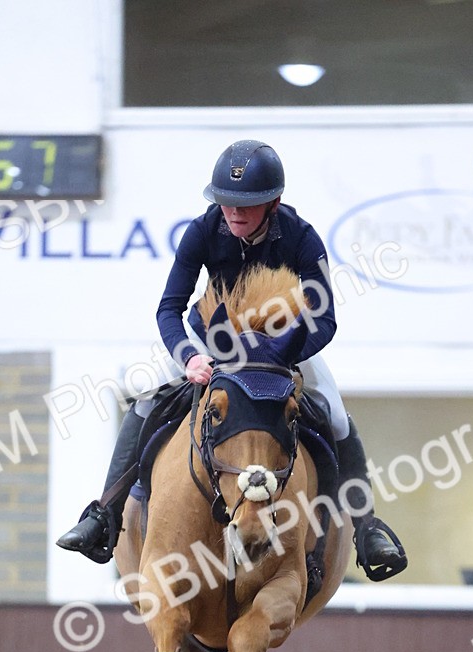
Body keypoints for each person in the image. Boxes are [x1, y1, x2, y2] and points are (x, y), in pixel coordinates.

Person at [57, 139, 406, 580]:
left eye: (247, 204)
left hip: (280, 347)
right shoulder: (203, 231)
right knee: (145, 403)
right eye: (225, 203)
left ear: (273, 202)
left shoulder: (301, 236)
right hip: (212, 342)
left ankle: (366, 528)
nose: (234, 213)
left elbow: (326, 318)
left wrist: (279, 357)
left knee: (335, 414)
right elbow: (169, 308)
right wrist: (187, 357)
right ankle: (102, 516)